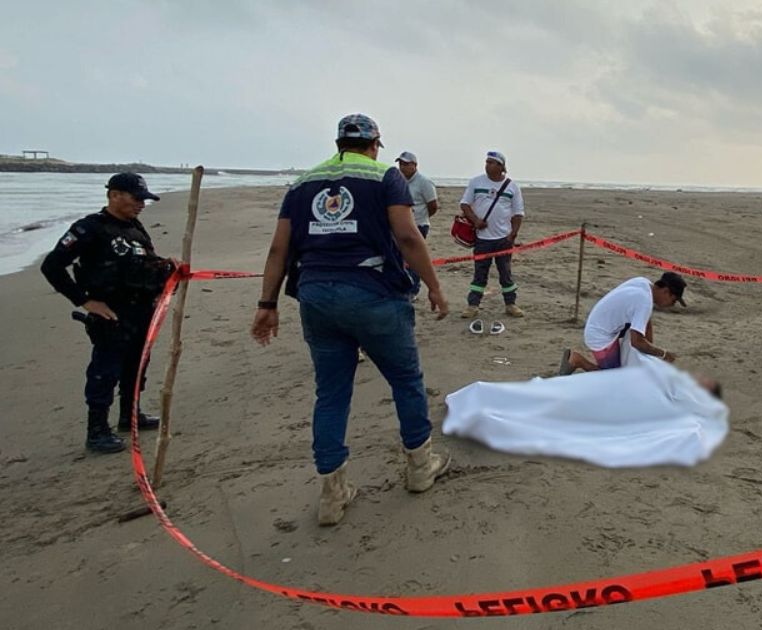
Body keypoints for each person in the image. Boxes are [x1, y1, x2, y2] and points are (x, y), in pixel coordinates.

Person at [250, 113, 451, 526]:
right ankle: (419, 467)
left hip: (317, 295)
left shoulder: (303, 182)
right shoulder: (385, 177)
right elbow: (408, 236)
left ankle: (332, 492)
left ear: (338, 143)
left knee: (332, 392)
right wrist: (433, 285)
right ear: (376, 143)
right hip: (374, 291)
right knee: (405, 379)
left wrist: (267, 303)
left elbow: (278, 250)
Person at [40, 173, 172, 454]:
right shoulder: (89, 229)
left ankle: (130, 415)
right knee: (105, 370)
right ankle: (97, 430)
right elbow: (52, 266)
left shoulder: (135, 228)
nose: (141, 205)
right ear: (114, 195)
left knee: (137, 366)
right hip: (111, 314)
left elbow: (145, 263)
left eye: (144, 200)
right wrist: (85, 301)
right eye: (136, 199)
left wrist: (168, 269)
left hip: (141, 311)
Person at [444, 356, 727, 468]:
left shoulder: (684, 402)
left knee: (555, 408)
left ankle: (486, 413)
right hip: (607, 390)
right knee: (546, 395)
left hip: (613, 402)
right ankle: (484, 398)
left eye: (706, 382)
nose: (701, 376)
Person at [558, 272, 687, 375]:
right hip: (599, 335)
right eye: (673, 300)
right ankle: (577, 360)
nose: (672, 305)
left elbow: (645, 320)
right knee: (614, 379)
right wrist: (663, 354)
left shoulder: (643, 283)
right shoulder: (644, 301)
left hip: (601, 322)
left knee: (630, 363)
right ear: (665, 292)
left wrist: (649, 355)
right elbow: (636, 342)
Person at [460, 151, 525, 319]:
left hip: (503, 239)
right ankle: (473, 305)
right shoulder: (476, 182)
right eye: (487, 162)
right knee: (480, 274)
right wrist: (475, 220)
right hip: (482, 239)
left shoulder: (512, 187)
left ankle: (511, 304)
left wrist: (513, 235)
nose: (487, 165)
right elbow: (465, 205)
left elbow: (518, 213)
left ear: (501, 166)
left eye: (492, 162)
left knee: (506, 273)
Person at [395, 151, 439, 239]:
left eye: (406, 164)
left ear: (414, 165)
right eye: (400, 164)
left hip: (419, 225)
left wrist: (421, 217)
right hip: (401, 224)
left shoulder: (424, 182)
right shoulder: (398, 181)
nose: (402, 167)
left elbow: (433, 206)